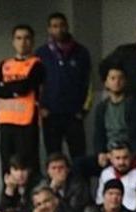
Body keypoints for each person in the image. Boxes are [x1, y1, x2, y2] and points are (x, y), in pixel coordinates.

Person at [35, 12, 91, 158]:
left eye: (62, 26)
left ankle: (80, 182)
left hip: (74, 114)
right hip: (50, 114)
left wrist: (83, 110)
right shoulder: (41, 53)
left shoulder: (81, 52)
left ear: (67, 27)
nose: (59, 29)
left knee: (79, 155)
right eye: (54, 26)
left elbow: (88, 82)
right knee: (53, 156)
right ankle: (55, 182)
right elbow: (35, 84)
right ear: (49, 29)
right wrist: (40, 108)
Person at [0, 24, 44, 174]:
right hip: (6, 122)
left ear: (32, 41)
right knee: (7, 167)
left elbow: (25, 87)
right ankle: (9, 196)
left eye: (27, 38)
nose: (22, 42)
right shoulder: (5, 64)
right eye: (18, 38)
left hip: (27, 123)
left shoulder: (37, 64)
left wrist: (6, 87)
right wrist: (13, 90)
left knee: (27, 166)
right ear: (13, 41)